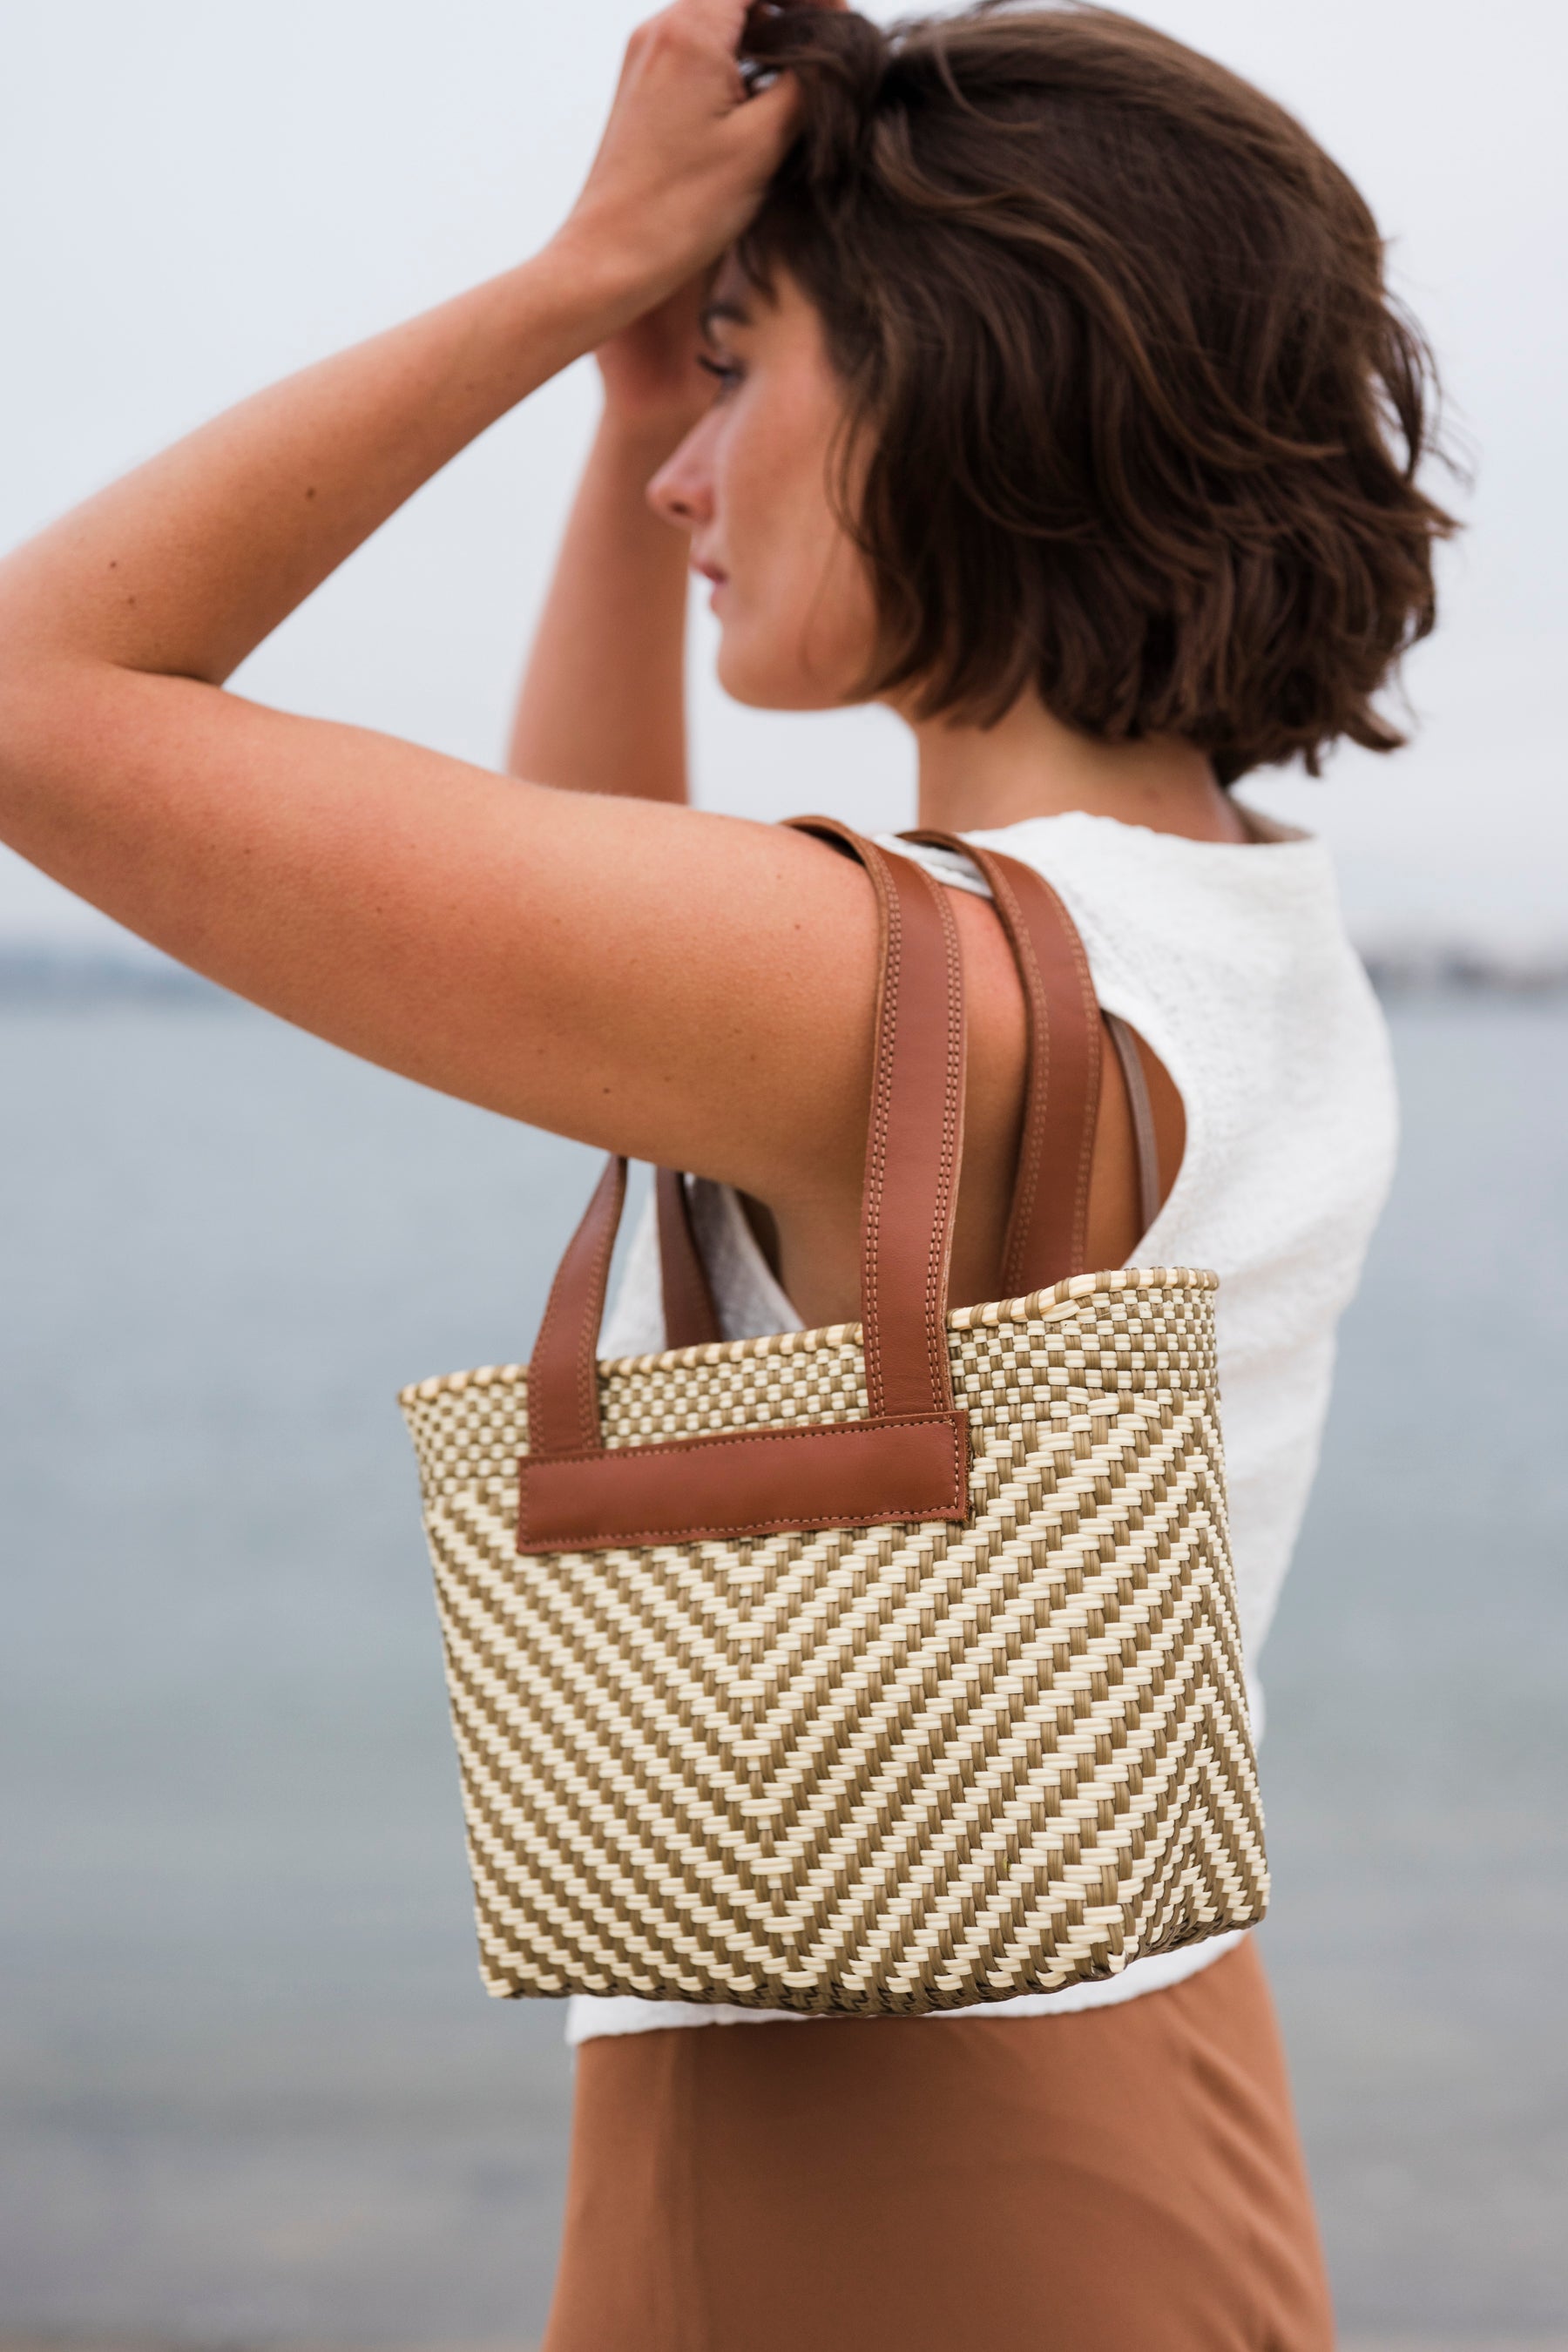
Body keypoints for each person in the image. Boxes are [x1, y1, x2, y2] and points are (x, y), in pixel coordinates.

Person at [0, 1, 1452, 2342]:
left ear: (964, 384)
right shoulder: (1228, 934)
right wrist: (633, 411)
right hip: (1148, 2064)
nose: (693, 476)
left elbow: (37, 693)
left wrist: (579, 271)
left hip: (866, 2165)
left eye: (746, 376)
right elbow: (627, 954)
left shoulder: (924, 995)